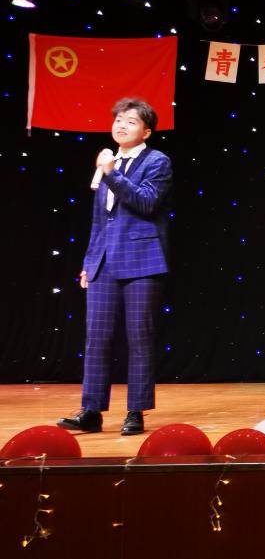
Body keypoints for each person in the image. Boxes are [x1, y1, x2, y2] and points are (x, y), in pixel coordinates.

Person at [57, 98, 172, 436]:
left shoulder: (157, 161)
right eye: (118, 119)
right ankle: (91, 411)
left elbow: (146, 202)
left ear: (146, 131)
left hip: (142, 260)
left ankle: (136, 411)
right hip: (104, 261)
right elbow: (99, 221)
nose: (121, 125)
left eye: (131, 121)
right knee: (97, 338)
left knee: (139, 337)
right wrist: (88, 262)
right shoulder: (110, 161)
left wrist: (112, 173)